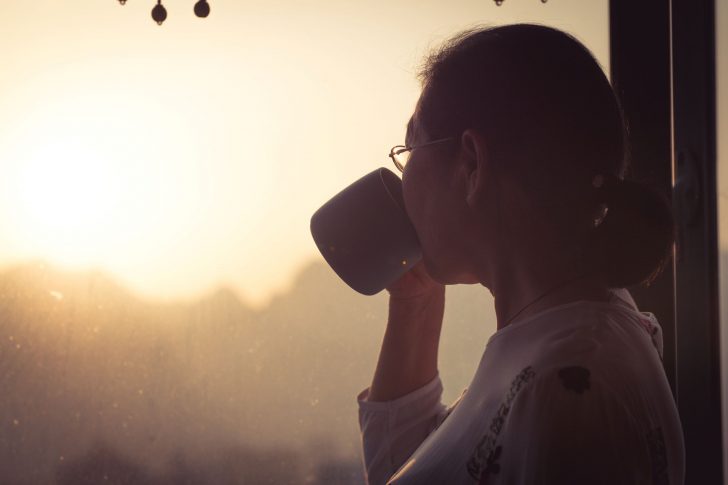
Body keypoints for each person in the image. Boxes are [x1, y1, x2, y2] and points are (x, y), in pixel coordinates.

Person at [357, 24, 685, 485]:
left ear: (471, 164)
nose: (403, 175)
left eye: (411, 148)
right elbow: (415, 465)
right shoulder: (560, 337)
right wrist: (415, 302)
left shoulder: (567, 388)